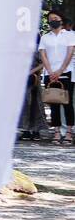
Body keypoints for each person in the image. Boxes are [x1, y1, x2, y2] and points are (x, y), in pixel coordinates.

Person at [38, 11, 74, 143]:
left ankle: (69, 133)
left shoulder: (69, 36)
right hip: (50, 74)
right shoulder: (45, 37)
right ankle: (57, 132)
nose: (53, 20)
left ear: (61, 20)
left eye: (55, 18)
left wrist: (60, 70)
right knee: (53, 104)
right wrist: (50, 71)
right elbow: (43, 55)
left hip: (66, 72)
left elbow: (70, 53)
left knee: (67, 104)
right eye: (50, 18)